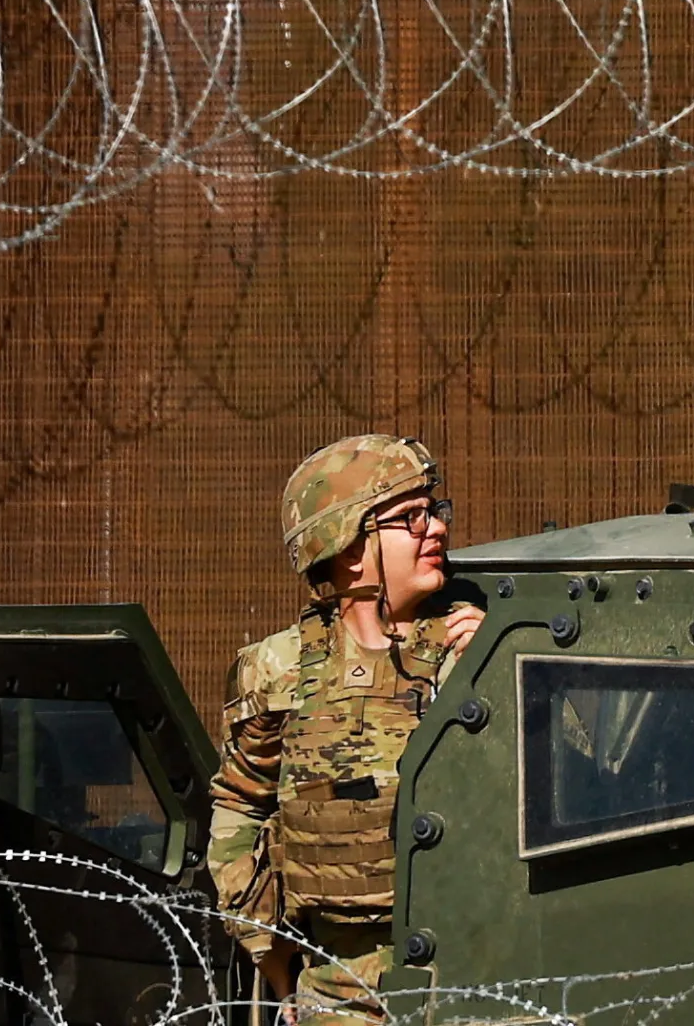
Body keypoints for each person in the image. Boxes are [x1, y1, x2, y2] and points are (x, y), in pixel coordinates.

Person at [207, 436, 486, 1025]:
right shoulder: (280, 669)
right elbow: (239, 805)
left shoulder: (482, 647)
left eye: (435, 511)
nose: (435, 528)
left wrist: (502, 672)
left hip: (473, 975)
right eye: (409, 517)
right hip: (336, 984)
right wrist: (272, 957)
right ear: (347, 545)